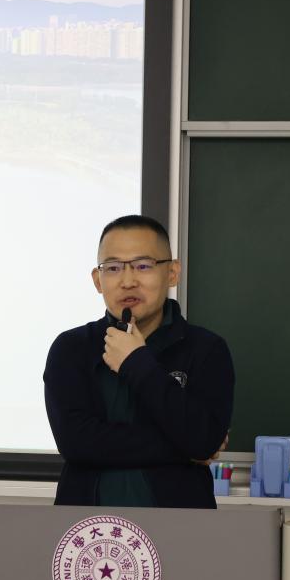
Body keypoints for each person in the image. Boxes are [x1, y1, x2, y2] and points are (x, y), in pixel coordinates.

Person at [44, 214, 233, 508]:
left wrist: (136, 363)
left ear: (172, 272)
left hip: (182, 527)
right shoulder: (71, 348)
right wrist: (185, 449)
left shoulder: (206, 349)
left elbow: (203, 439)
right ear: (97, 280)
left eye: (143, 266)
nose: (128, 281)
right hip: (86, 529)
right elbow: (77, 444)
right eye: (113, 268)